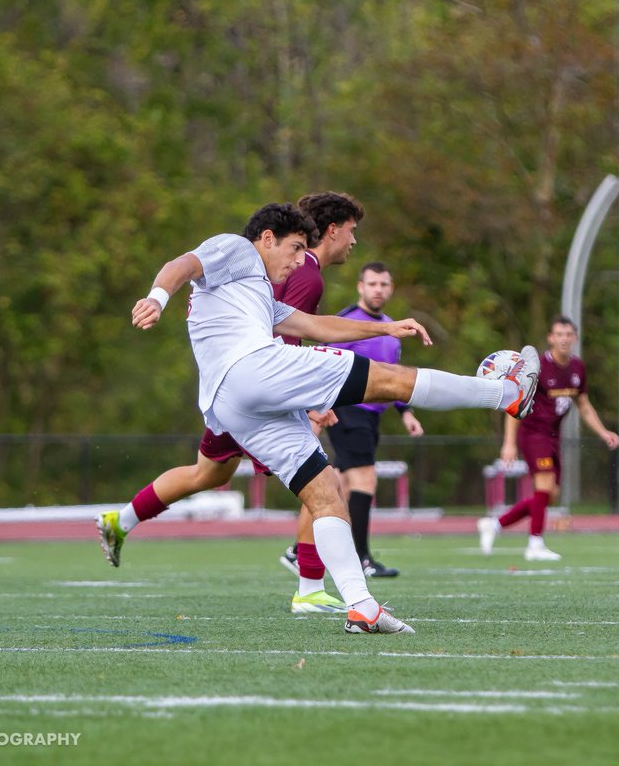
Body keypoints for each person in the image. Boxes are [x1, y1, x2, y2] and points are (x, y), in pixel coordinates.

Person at [128, 202, 539, 634]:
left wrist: (384, 328)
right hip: (252, 369)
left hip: (232, 405)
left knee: (325, 493)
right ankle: (508, 393)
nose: (298, 259)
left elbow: (316, 326)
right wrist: (156, 299)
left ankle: (361, 606)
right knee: (392, 380)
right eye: (294, 248)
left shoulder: (254, 295)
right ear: (267, 238)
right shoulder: (236, 248)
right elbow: (182, 264)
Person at [98, 191, 362, 615]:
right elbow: (287, 333)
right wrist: (308, 397)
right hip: (262, 391)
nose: (353, 243)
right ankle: (310, 587)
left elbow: (286, 321)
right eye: (352, 233)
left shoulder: (265, 267)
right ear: (331, 230)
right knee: (321, 480)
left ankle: (121, 520)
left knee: (207, 472)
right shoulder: (297, 270)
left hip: (230, 391)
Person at [479, 315, 619, 561]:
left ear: (574, 338)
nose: (564, 339)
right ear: (550, 338)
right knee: (543, 487)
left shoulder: (577, 368)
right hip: (533, 433)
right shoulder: (538, 366)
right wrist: (509, 443)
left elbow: (583, 405)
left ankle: (495, 525)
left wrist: (603, 431)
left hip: (554, 437)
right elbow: (516, 402)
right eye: (559, 334)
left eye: (569, 334)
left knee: (548, 495)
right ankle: (535, 544)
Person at [324, 262, 423, 578]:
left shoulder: (392, 330)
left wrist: (405, 412)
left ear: (391, 288)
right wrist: (319, 407)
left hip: (372, 417)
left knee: (335, 485)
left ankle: (302, 549)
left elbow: (391, 380)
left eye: (384, 284)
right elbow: (322, 366)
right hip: (347, 410)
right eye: (372, 284)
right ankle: (362, 558)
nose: (378, 289)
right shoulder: (345, 323)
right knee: (365, 480)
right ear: (360, 286)